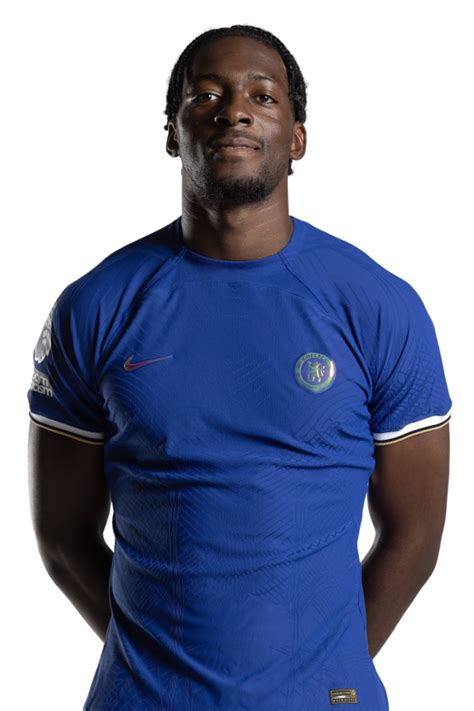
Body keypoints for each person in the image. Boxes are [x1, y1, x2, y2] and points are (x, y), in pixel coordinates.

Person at [27, 24, 452, 711]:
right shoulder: (94, 306)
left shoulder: (380, 306)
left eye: (263, 95)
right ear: (173, 133)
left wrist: (323, 667)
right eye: (206, 95)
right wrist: (159, 669)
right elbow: (62, 538)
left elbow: (417, 535)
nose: (235, 111)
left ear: (298, 137)